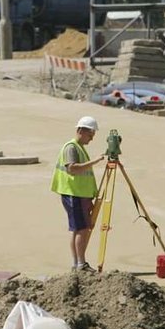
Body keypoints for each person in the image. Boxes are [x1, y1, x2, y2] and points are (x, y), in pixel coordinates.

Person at [50, 116, 106, 272]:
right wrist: (95, 161)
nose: (91, 139)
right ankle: (81, 264)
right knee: (81, 229)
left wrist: (88, 198)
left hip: (79, 195)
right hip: (73, 194)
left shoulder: (80, 148)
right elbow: (72, 169)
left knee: (78, 229)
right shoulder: (71, 148)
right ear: (81, 131)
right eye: (90, 135)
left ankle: (77, 264)